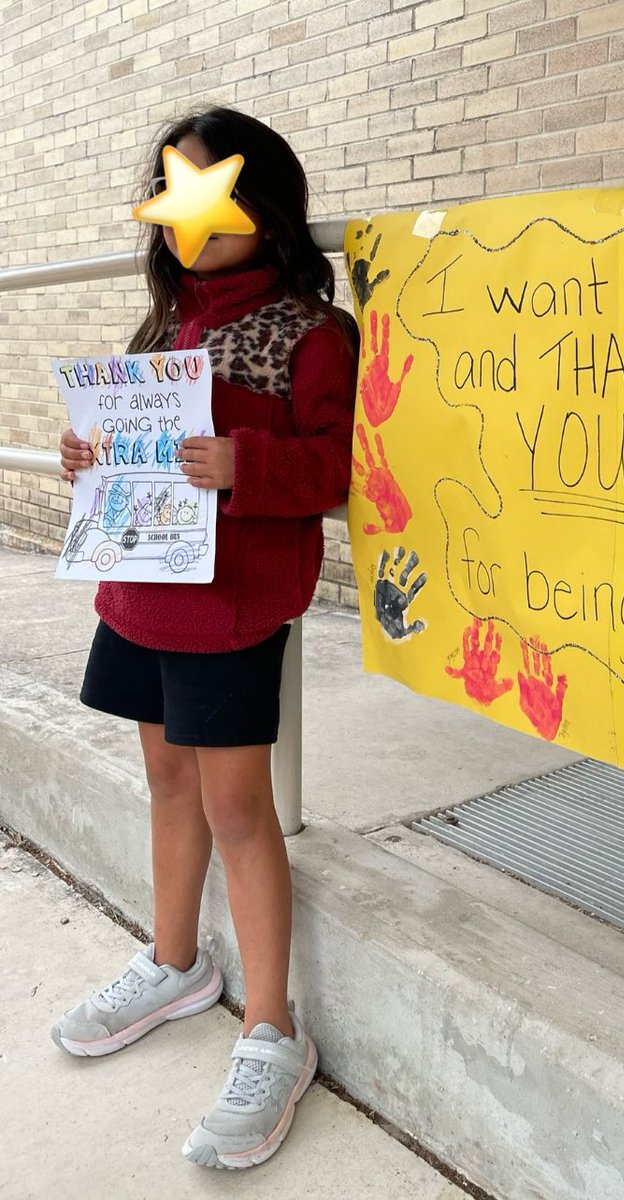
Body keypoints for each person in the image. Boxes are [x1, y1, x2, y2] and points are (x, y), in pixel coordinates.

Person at [54, 106, 358, 1170]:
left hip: (229, 610)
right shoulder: (168, 326)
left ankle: (270, 1026)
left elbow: (338, 468)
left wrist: (247, 467)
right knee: (169, 782)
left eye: (209, 193)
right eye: (171, 193)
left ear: (265, 205)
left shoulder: (312, 332)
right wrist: (89, 461)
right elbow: (142, 452)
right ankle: (176, 962)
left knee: (239, 805)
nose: (189, 219)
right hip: (140, 596)